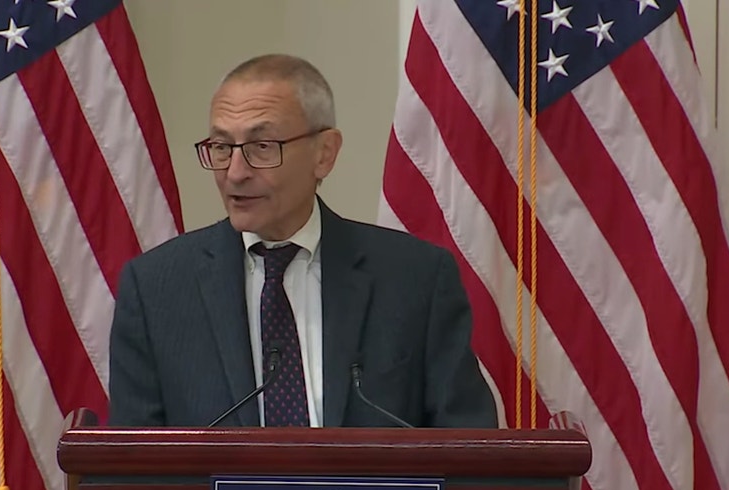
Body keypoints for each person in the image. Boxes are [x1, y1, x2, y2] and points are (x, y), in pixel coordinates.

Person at [107, 54, 497, 429]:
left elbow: (469, 445)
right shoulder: (156, 288)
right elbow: (129, 472)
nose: (235, 173)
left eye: (262, 147)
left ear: (324, 154)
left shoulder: (416, 277)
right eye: (222, 147)